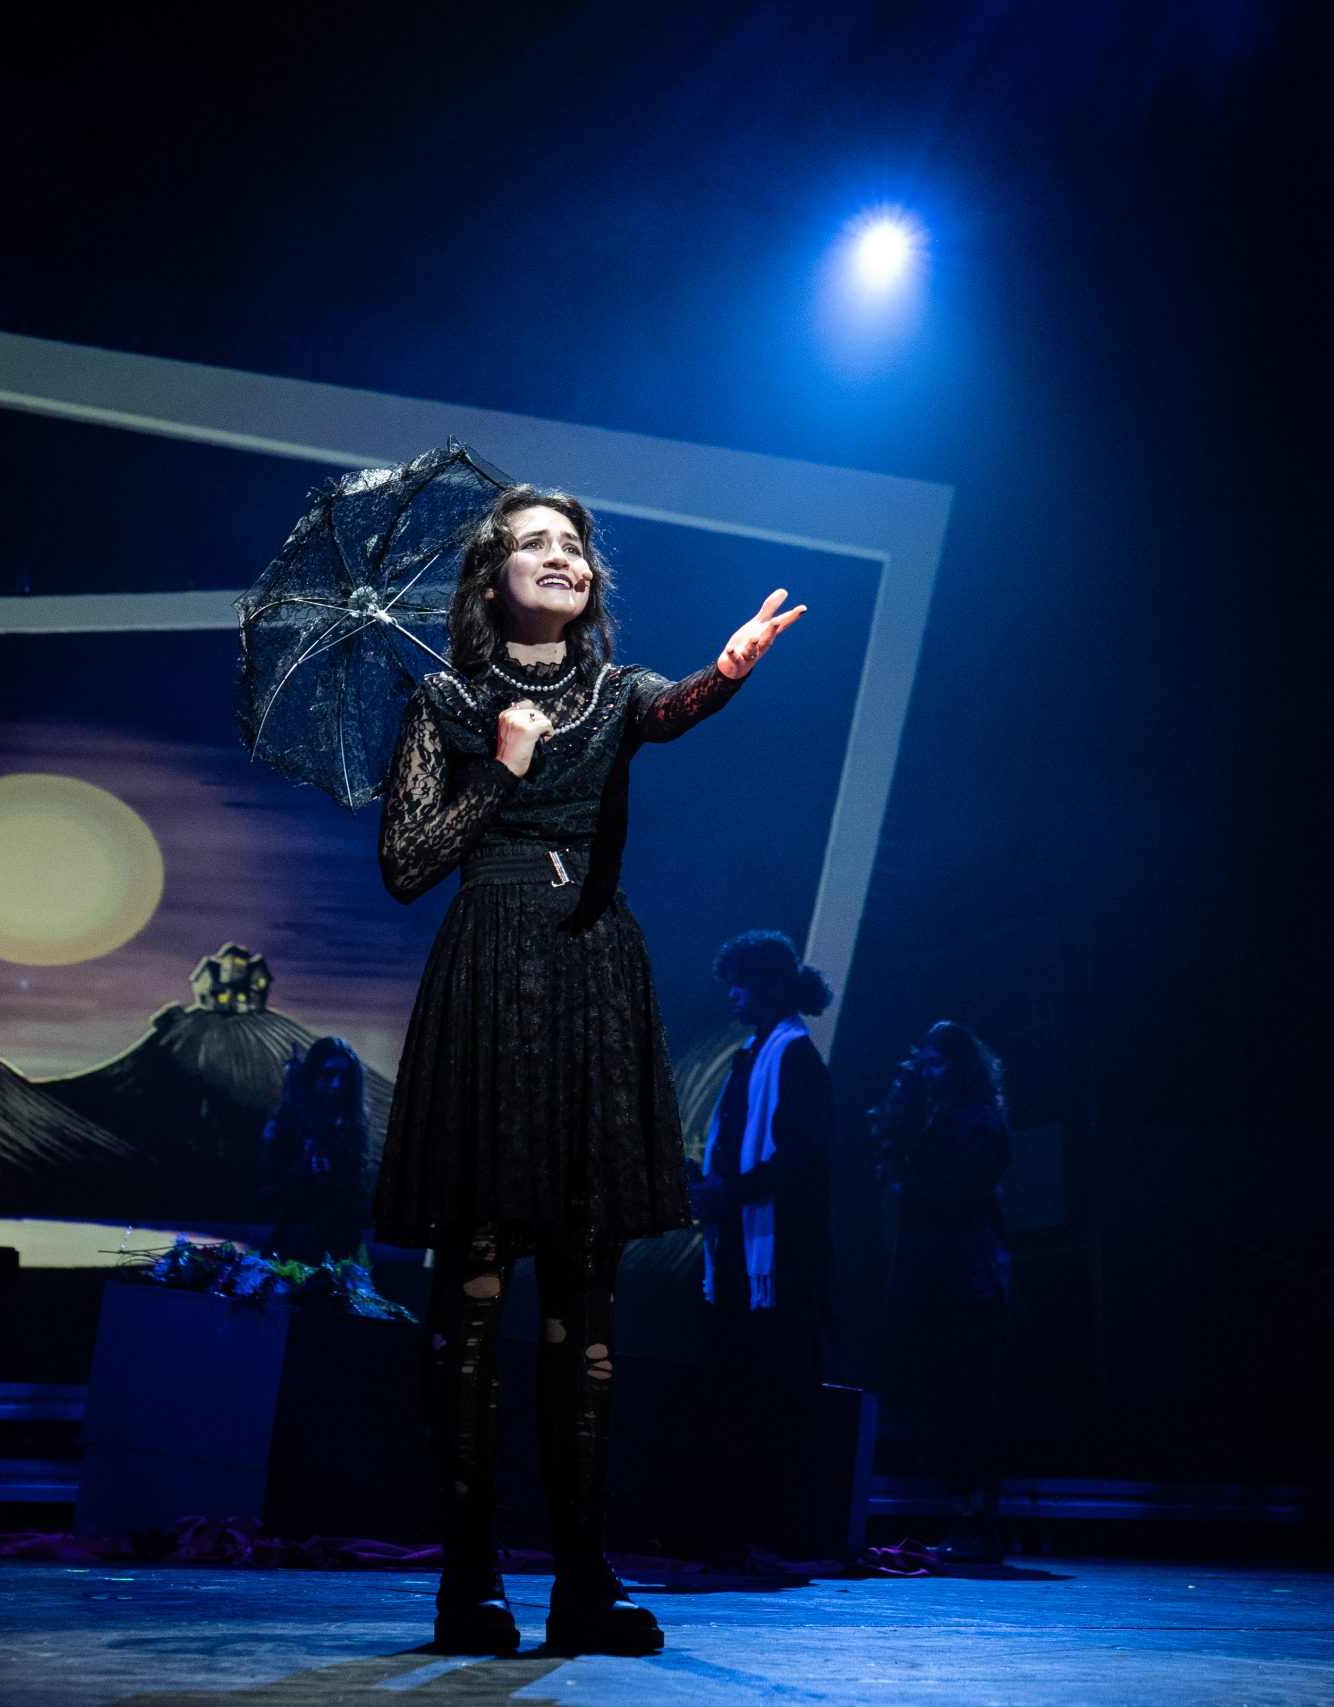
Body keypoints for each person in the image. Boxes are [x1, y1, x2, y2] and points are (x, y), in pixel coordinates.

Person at [374, 484, 803, 1657]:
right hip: (489, 977)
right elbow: (404, 865)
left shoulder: (615, 692)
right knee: (473, 1287)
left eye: (573, 544)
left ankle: (582, 1581)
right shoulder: (446, 700)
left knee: (584, 1290)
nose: (562, 557)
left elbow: (671, 710)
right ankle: (469, 1581)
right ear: (491, 579)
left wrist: (728, 670)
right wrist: (500, 772)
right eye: (535, 544)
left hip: (592, 979)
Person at [689, 930, 838, 1550]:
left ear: (771, 987)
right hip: (741, 1248)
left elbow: (807, 1157)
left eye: (741, 984)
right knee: (736, 1384)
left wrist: (729, 1191)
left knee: (770, 1387)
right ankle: (736, 1525)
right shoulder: (753, 1053)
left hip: (779, 1257)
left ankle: (771, 1527)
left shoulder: (794, 1055)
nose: (732, 995)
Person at [873, 1020, 1012, 1563]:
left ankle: (979, 1519)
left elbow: (953, 1195)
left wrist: (903, 1183)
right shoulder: (946, 1119)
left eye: (939, 1063)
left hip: (968, 1278)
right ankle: (964, 1515)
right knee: (951, 1400)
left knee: (971, 1398)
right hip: (942, 1277)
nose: (931, 1073)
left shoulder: (978, 1121)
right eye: (925, 1063)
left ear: (962, 1064)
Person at [258, 1034, 376, 1264]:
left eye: (344, 1077)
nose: (337, 1085)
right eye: (328, 1074)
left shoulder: (352, 1130)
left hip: (341, 1250)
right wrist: (303, 1168)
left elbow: (359, 1203)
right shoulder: (282, 1126)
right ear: (313, 1076)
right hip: (292, 1248)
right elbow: (265, 1198)